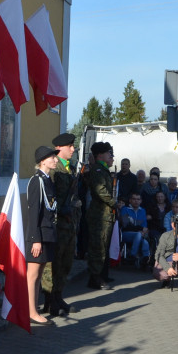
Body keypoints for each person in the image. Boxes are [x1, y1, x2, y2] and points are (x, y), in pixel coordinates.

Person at [41, 132, 80, 317]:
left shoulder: (70, 169)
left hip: (69, 224)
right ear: (59, 148)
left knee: (65, 263)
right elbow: (50, 198)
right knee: (53, 264)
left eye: (73, 146)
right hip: (57, 225)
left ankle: (58, 295)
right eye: (70, 146)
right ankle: (49, 300)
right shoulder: (54, 170)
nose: (73, 149)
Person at [25, 146, 59, 325]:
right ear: (43, 161)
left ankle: (33, 309)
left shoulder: (48, 181)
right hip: (38, 236)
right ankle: (31, 311)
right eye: (52, 157)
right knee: (32, 275)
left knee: (38, 276)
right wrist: (35, 239)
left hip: (48, 233)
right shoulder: (36, 181)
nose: (55, 160)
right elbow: (33, 213)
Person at [86, 142, 117, 290]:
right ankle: (95, 278)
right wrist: (114, 203)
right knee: (98, 248)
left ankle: (101, 275)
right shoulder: (98, 170)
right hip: (99, 216)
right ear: (100, 155)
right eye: (108, 153)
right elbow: (101, 191)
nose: (110, 155)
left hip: (105, 215)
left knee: (103, 246)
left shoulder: (103, 170)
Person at [119, 192, 149, 267]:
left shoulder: (143, 211)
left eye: (138, 199)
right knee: (138, 234)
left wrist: (142, 230)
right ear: (130, 200)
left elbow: (144, 226)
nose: (136, 201)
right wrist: (140, 228)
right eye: (134, 199)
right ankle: (132, 256)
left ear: (141, 201)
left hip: (139, 235)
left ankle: (145, 259)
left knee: (145, 241)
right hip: (126, 234)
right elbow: (126, 225)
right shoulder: (125, 209)